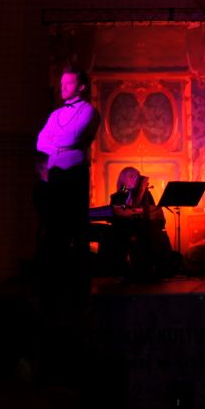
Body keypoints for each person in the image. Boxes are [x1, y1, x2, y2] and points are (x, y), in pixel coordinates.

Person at [36, 65, 100, 308]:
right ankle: (55, 286)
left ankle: (78, 287)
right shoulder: (55, 115)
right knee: (55, 229)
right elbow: (40, 142)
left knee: (75, 227)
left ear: (81, 87)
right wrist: (58, 146)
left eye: (69, 83)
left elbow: (72, 138)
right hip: (55, 175)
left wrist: (55, 144)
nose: (63, 87)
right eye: (62, 83)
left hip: (73, 175)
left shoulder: (89, 111)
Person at [109, 167, 175, 282]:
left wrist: (143, 210)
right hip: (126, 228)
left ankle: (158, 267)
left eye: (136, 176)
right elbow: (119, 213)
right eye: (131, 176)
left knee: (155, 231)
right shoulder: (117, 196)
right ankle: (134, 270)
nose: (135, 179)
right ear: (123, 179)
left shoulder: (146, 194)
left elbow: (153, 210)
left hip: (145, 226)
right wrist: (135, 207)